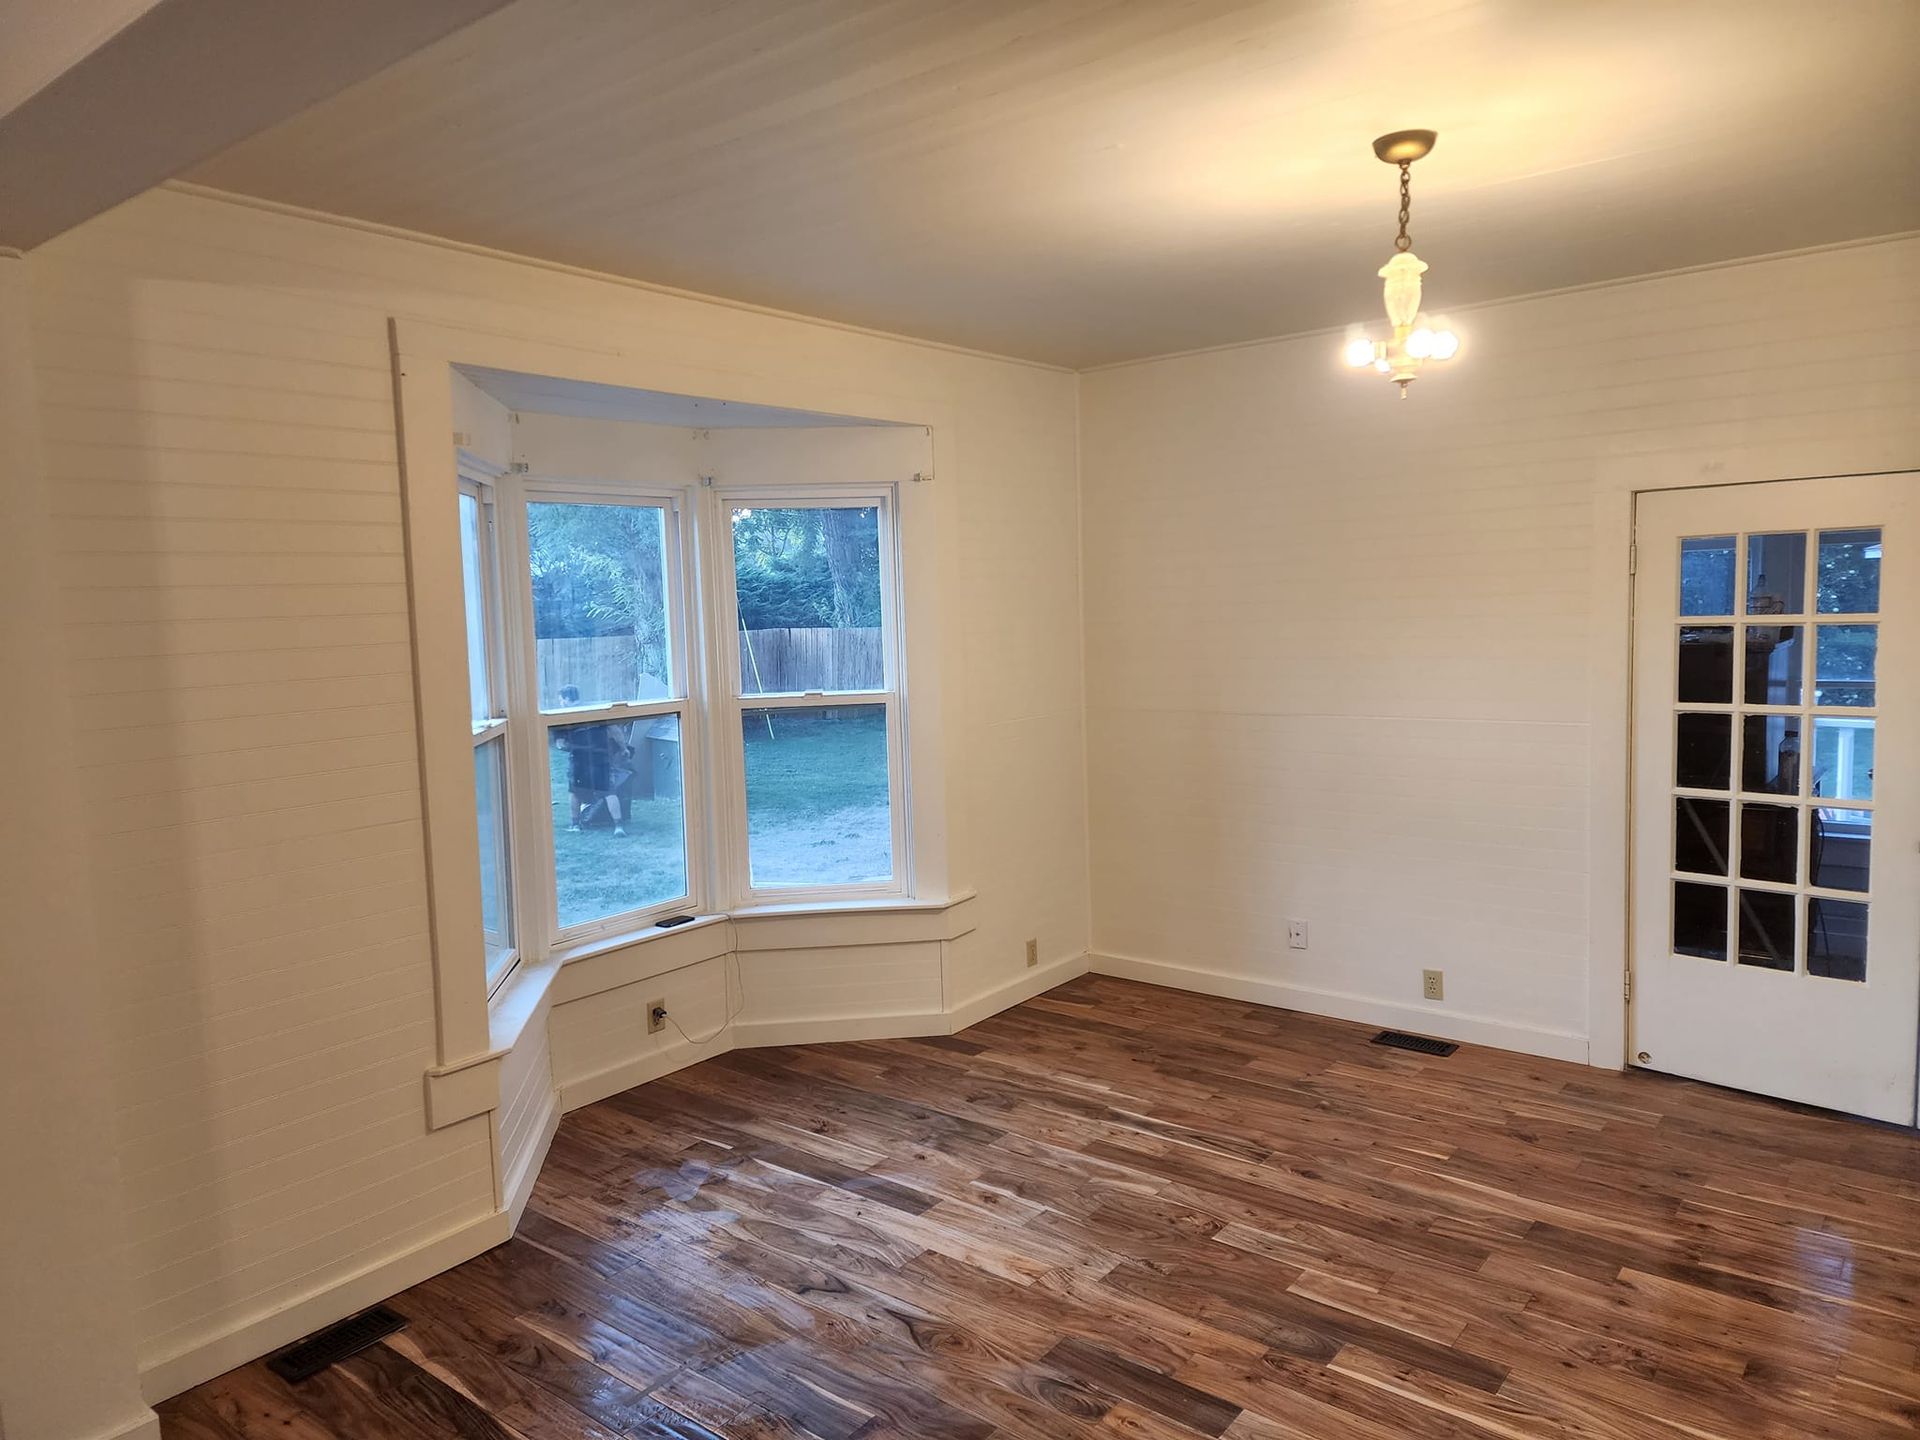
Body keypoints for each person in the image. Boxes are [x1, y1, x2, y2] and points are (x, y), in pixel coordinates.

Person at [555, 685, 629, 836]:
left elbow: (561, 744)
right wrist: (623, 748)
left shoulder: (563, 716)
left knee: (575, 792)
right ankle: (618, 827)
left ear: (567, 699)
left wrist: (568, 746)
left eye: (561, 700)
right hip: (601, 757)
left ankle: (575, 825)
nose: (560, 703)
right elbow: (614, 731)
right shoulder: (595, 711)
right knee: (609, 791)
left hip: (579, 760)